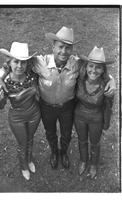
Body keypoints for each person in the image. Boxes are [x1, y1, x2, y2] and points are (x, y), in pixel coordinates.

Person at [0, 26, 116, 170]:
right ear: (53, 46)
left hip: (67, 107)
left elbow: (96, 68)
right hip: (46, 107)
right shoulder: (39, 62)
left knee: (66, 133)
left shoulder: (77, 63)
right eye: (60, 47)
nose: (63, 51)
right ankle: (54, 152)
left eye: (68, 48)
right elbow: (13, 63)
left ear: (72, 49)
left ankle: (64, 152)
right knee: (50, 132)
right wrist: (1, 76)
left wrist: (111, 80)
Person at [0, 42, 41, 180]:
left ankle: (29, 160)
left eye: (23, 62)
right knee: (22, 143)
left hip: (35, 114)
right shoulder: (4, 81)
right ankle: (23, 166)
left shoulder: (32, 74)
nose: (19, 66)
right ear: (9, 62)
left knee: (30, 139)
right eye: (16, 62)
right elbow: (1, 106)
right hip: (17, 118)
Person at [74, 46, 114, 178]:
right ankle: (84, 160)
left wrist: (106, 122)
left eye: (98, 67)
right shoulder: (79, 79)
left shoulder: (106, 85)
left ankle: (93, 164)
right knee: (82, 140)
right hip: (79, 115)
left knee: (95, 143)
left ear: (103, 70)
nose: (94, 70)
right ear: (86, 66)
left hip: (96, 118)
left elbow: (109, 106)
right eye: (91, 66)